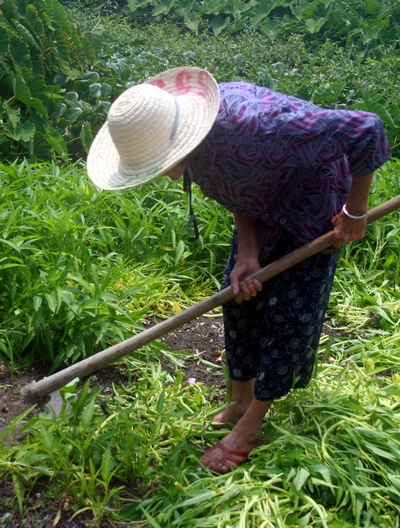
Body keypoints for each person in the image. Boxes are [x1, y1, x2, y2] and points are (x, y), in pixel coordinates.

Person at [87, 67, 391, 474]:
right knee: (241, 292)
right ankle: (239, 399)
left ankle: (252, 425)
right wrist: (248, 250)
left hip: (314, 201)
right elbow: (239, 186)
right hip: (265, 204)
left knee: (289, 310)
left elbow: (366, 128)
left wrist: (355, 212)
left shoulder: (261, 126)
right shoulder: (199, 146)